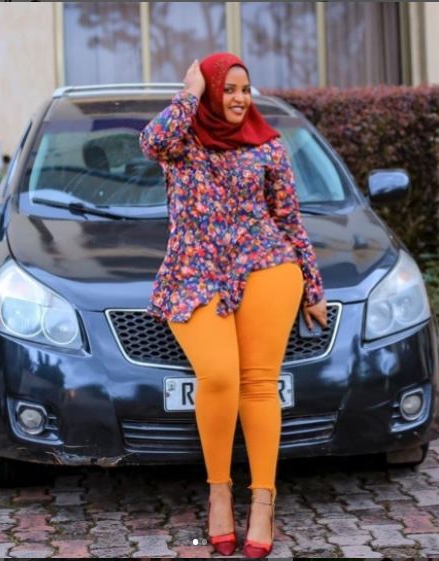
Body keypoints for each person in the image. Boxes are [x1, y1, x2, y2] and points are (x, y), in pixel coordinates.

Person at [139, 52, 327, 558]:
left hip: (266, 264)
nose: (241, 98)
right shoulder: (182, 141)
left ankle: (263, 501)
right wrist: (189, 93)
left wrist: (313, 287)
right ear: (210, 91)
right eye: (229, 89)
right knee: (220, 376)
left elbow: (288, 219)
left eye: (246, 89)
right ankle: (219, 491)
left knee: (259, 383)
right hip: (195, 270)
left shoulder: (268, 145)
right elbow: (151, 141)